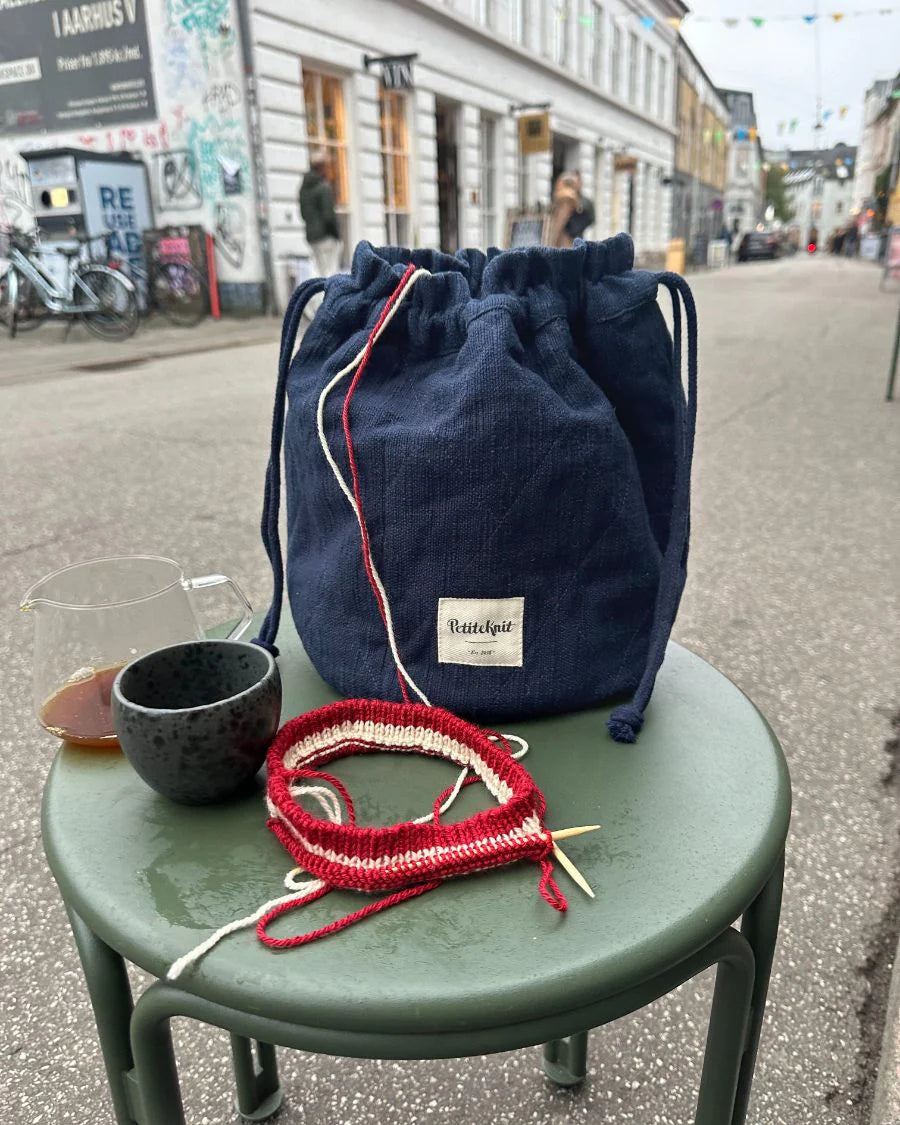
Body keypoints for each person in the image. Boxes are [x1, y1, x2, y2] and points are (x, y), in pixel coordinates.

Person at [299, 147, 341, 277]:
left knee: (318, 271)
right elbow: (328, 216)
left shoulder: (304, 189)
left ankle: (317, 296)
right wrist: (336, 235)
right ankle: (330, 297)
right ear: (321, 167)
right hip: (327, 237)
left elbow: (303, 214)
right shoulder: (323, 187)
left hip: (312, 237)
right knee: (330, 271)